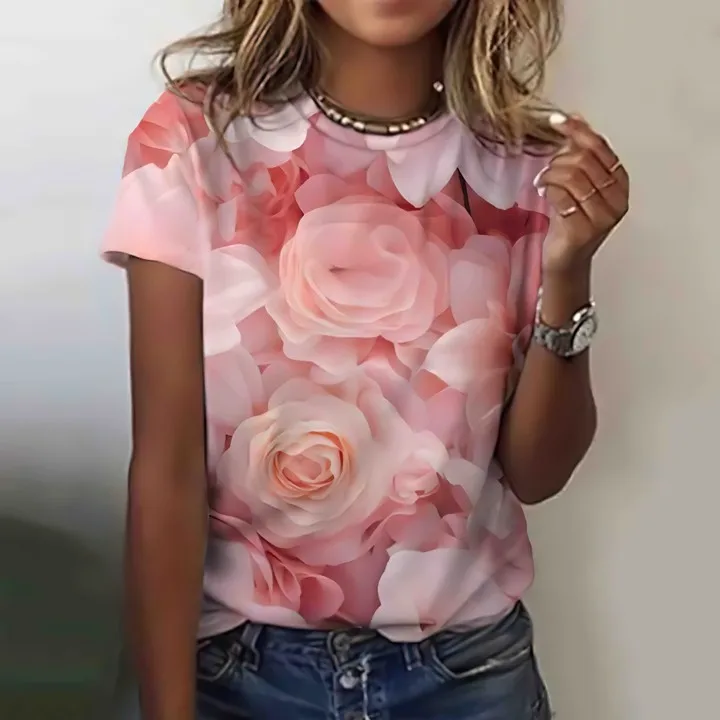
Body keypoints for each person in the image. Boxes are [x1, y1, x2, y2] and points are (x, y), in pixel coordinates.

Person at [102, 0, 629, 718]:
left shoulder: (532, 167)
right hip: (239, 677)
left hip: (467, 677)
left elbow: (537, 474)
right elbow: (166, 470)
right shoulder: (193, 139)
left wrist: (569, 269)